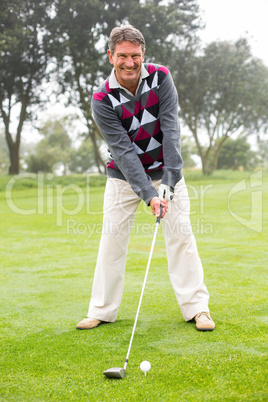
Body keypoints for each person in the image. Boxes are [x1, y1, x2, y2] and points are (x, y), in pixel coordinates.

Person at [76, 24, 215, 332]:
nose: (129, 63)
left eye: (135, 55)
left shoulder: (161, 77)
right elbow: (123, 152)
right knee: (112, 240)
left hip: (166, 170)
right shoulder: (102, 98)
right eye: (122, 56)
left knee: (181, 235)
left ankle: (197, 309)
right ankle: (101, 309)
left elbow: (171, 131)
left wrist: (168, 181)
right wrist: (148, 195)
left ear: (143, 55)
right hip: (123, 177)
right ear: (111, 56)